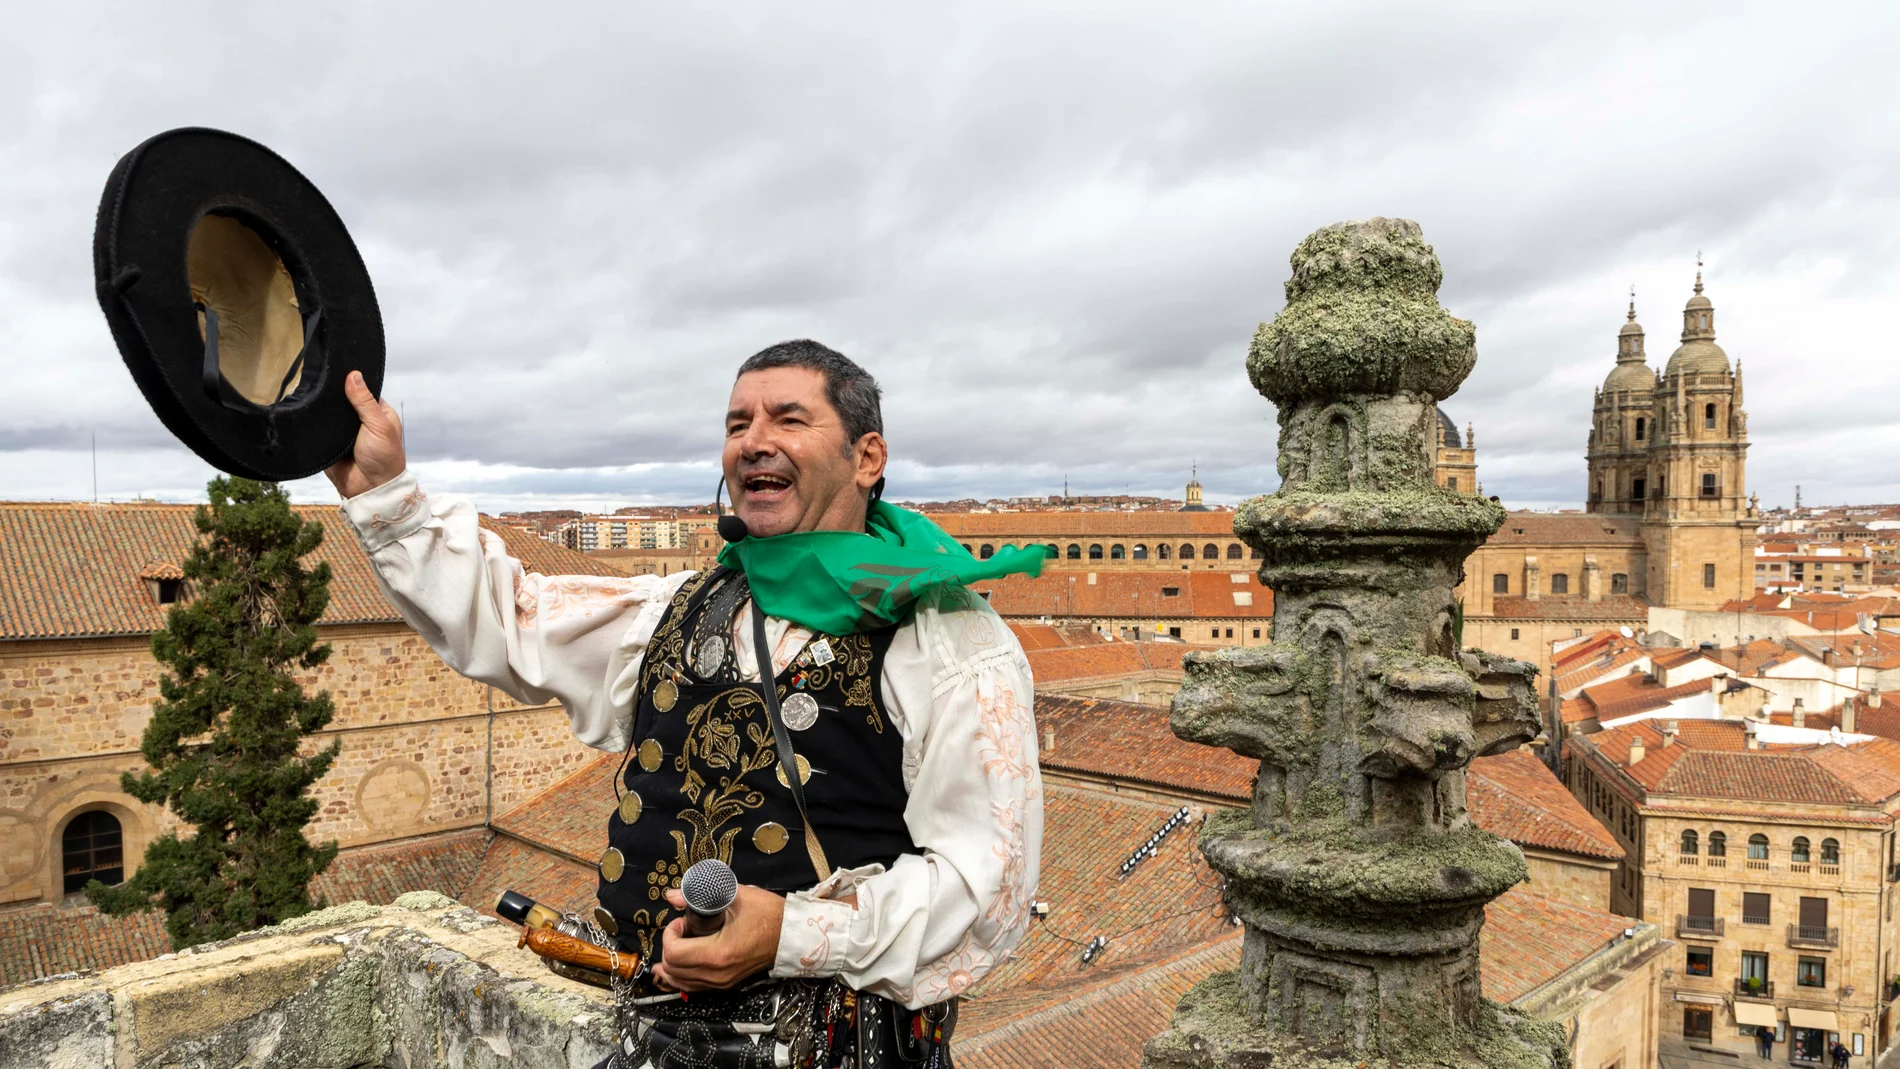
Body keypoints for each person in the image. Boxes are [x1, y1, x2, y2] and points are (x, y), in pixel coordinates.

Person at [327, 341, 1046, 1068]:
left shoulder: (951, 639)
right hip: (658, 1044)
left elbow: (984, 888)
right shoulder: (680, 605)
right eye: (737, 424)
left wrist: (791, 933)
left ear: (867, 457)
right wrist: (387, 494)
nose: (753, 440)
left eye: (787, 418)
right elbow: (511, 618)